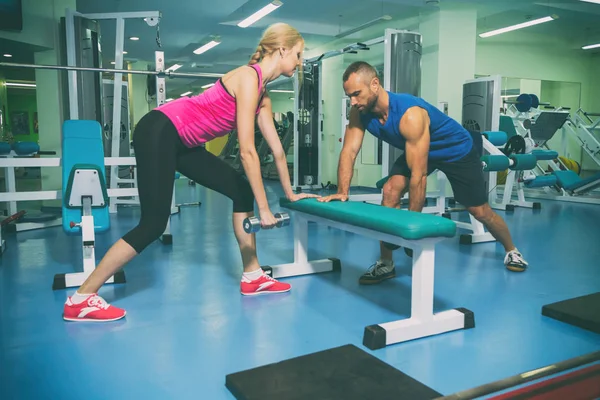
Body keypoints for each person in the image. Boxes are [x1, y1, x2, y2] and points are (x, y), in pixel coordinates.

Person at [63, 23, 317, 322]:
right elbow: (248, 151)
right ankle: (82, 298)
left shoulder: (263, 94)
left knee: (240, 189)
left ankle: (253, 276)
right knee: (153, 224)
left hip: (183, 142)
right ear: (282, 49)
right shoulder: (249, 78)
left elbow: (276, 150)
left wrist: (289, 193)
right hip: (160, 129)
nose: (299, 62)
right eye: (298, 54)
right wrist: (264, 209)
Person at [319, 61, 528, 285]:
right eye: (349, 96)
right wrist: (342, 191)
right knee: (390, 190)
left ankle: (512, 250)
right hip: (420, 150)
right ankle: (386, 263)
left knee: (480, 211)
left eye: (357, 94)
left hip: (456, 151)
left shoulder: (410, 115)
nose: (353, 101)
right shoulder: (359, 112)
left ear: (375, 84)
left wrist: (413, 227)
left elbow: (418, 178)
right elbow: (349, 151)